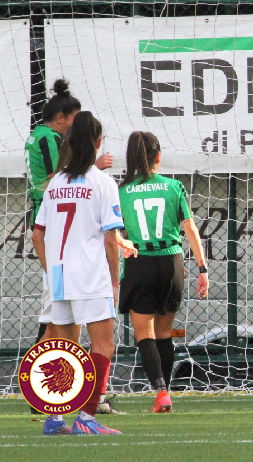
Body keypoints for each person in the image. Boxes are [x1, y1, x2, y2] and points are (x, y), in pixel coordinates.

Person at [31, 111, 135, 435]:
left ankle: (55, 419)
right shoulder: (102, 182)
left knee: (64, 348)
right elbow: (110, 239)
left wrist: (51, 269)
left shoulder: (55, 183)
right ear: (98, 142)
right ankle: (87, 418)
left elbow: (37, 234)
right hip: (90, 274)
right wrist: (114, 281)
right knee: (103, 345)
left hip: (59, 276)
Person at [23, 80, 114, 382]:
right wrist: (95, 167)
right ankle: (70, 399)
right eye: (73, 121)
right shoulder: (51, 141)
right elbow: (58, 175)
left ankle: (49, 399)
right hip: (73, 252)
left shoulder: (38, 140)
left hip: (57, 251)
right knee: (92, 341)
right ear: (61, 118)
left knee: (59, 334)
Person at [118, 131, 210, 413]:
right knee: (164, 332)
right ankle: (166, 392)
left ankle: (160, 392)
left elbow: (114, 231)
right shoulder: (174, 187)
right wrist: (202, 269)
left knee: (144, 334)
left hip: (140, 261)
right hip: (172, 262)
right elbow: (190, 228)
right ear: (158, 156)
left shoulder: (122, 191)